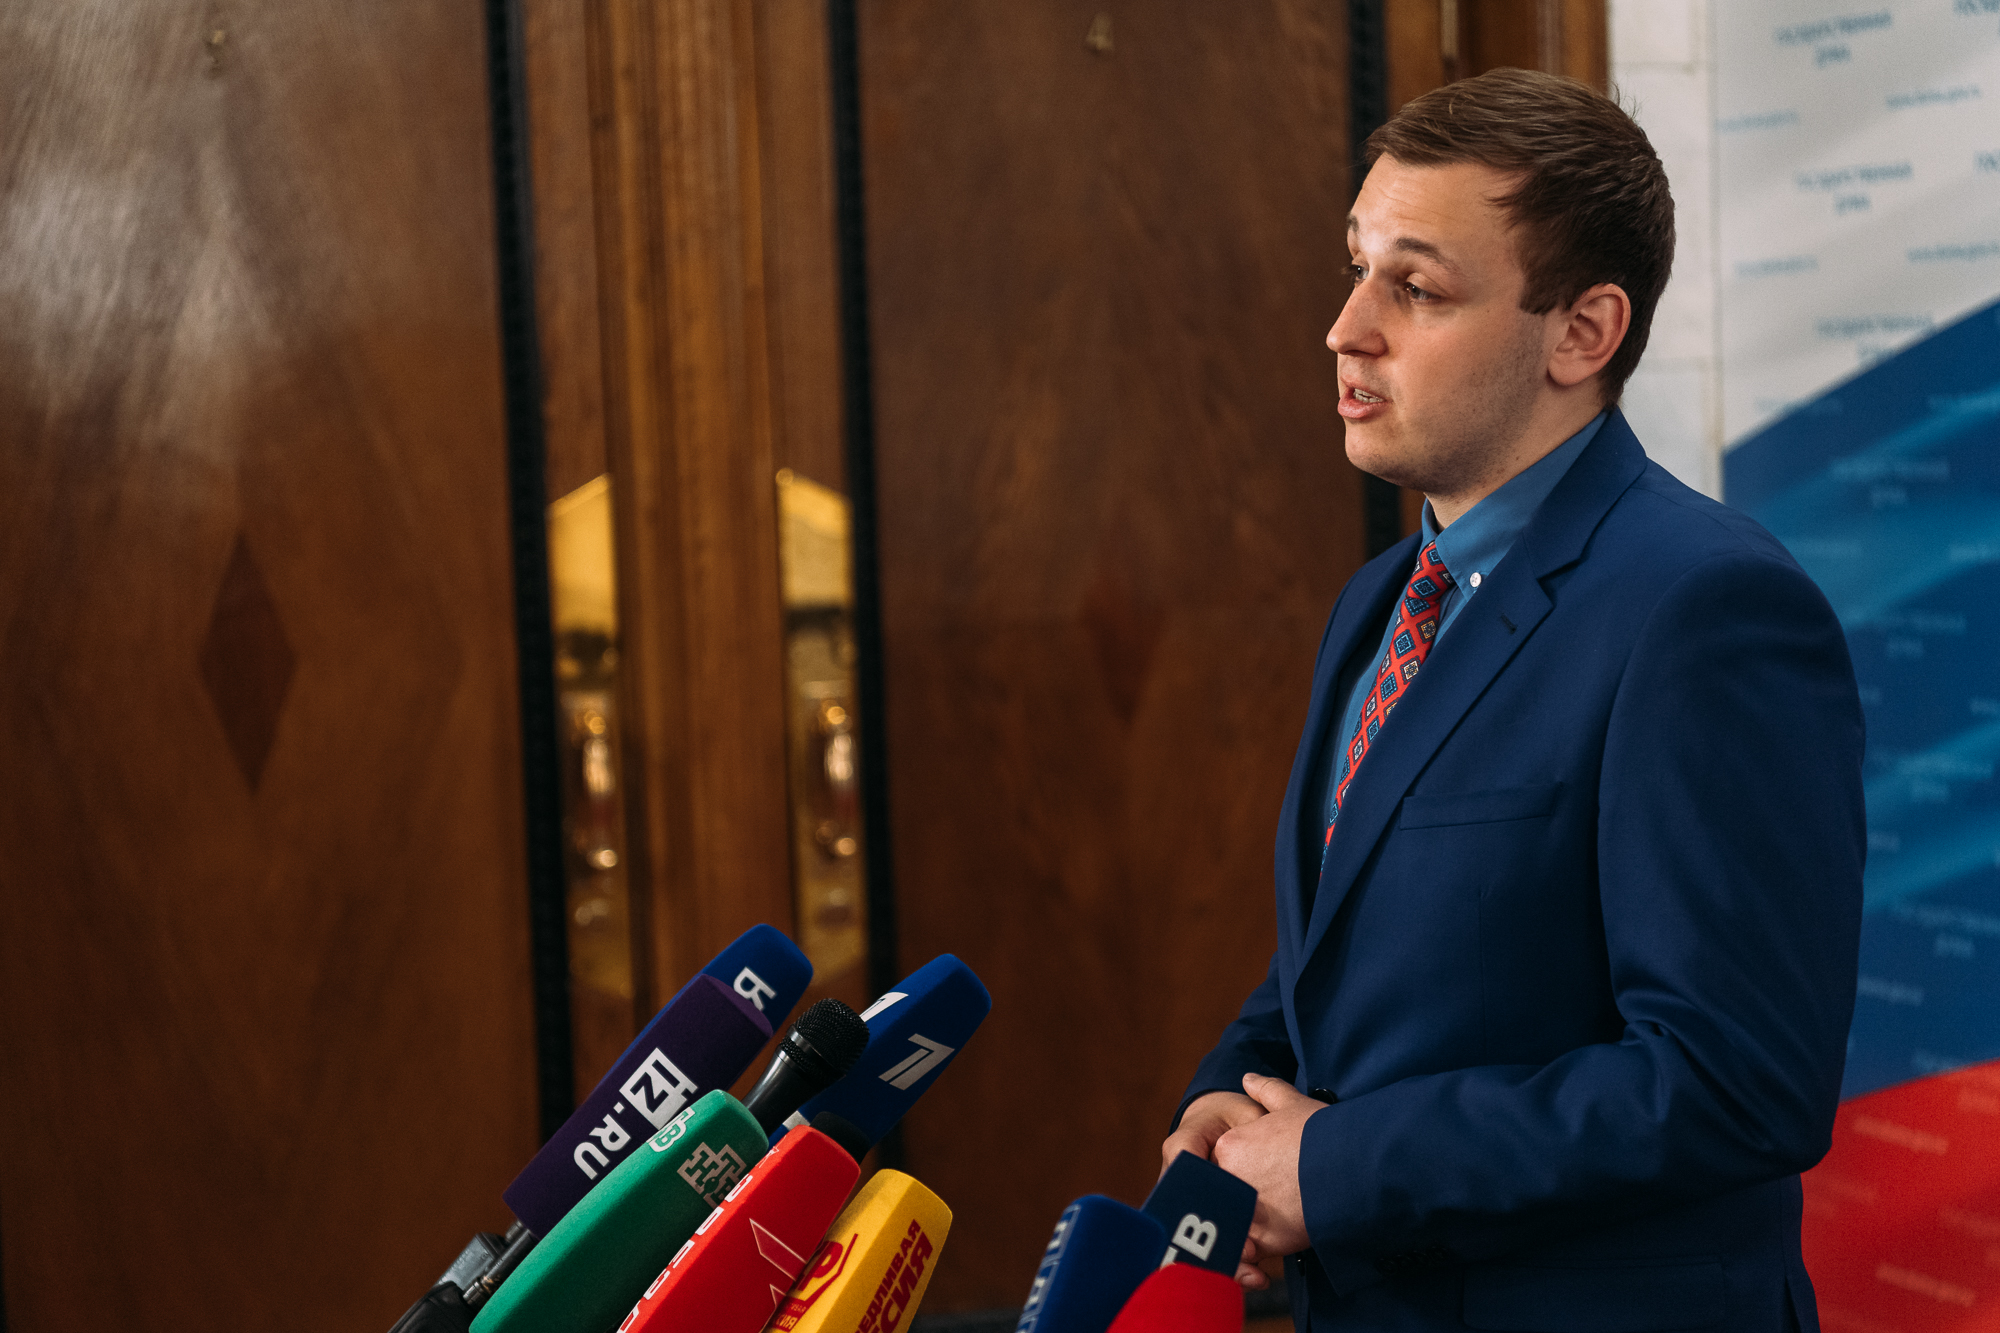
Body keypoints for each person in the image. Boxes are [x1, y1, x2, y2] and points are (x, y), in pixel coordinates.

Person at [1161, 68, 1863, 1333]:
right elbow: (1362, 944)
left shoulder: (1706, 609)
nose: (1345, 328)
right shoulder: (1381, 598)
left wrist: (1335, 1168)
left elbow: (1735, 1080)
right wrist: (1228, 1095)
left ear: (1580, 333)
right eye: (1357, 268)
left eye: (1416, 289)